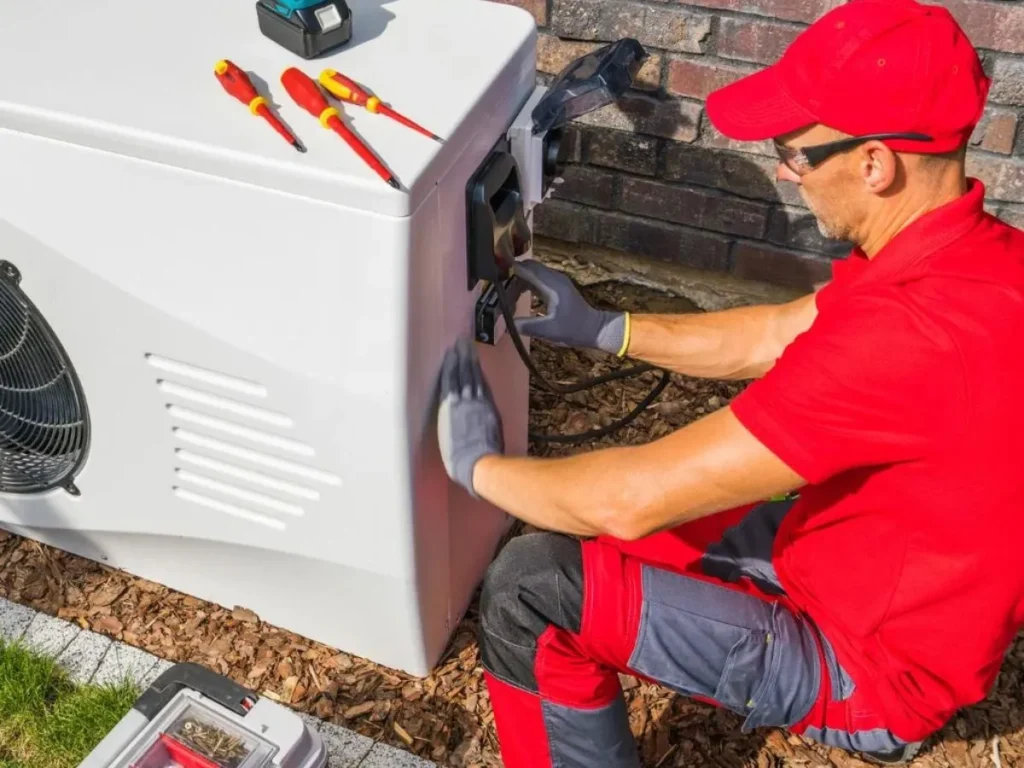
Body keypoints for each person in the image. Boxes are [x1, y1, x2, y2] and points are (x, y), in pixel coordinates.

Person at [435, 0, 1024, 765]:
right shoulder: (973, 259)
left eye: (796, 152)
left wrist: (475, 469)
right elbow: (782, 330)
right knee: (589, 523)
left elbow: (628, 500)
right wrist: (609, 331)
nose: (786, 171)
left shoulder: (909, 336)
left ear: (876, 162)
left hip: (870, 667)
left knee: (529, 587)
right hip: (850, 561)